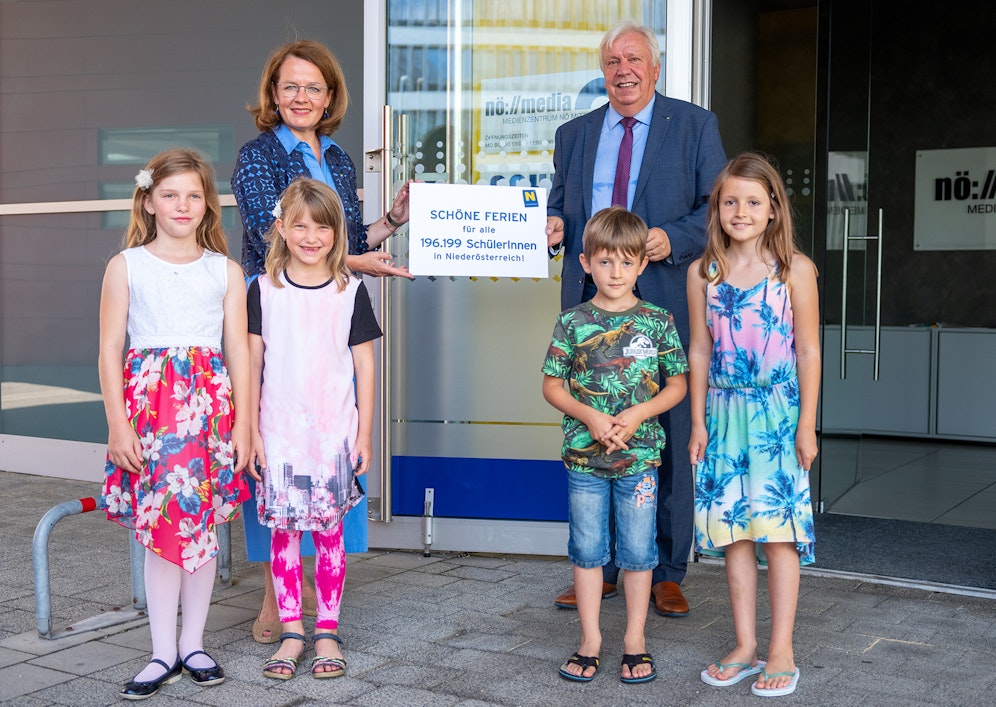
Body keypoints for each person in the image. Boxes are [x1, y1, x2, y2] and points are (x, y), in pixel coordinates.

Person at [232, 39, 412, 644]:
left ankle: (315, 583)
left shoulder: (337, 158)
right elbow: (270, 236)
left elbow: (346, 233)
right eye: (290, 86)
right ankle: (273, 592)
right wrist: (358, 260)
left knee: (326, 445)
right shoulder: (257, 156)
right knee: (275, 448)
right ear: (273, 95)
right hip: (276, 314)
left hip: (328, 308)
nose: (302, 96)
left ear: (330, 95)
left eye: (314, 86)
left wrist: (392, 221)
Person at [546, 19, 726, 617]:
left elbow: (715, 211)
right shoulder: (573, 134)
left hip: (664, 298)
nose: (623, 70)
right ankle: (595, 566)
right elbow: (558, 208)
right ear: (603, 72)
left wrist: (667, 238)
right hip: (590, 306)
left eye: (634, 60)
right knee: (591, 425)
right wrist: (550, 229)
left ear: (654, 68)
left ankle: (667, 568)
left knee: (664, 433)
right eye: (612, 61)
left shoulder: (695, 125)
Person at [98, 148, 250, 699]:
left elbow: (240, 353)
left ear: (207, 204)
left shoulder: (224, 271)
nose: (182, 205)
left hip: (208, 415)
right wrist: (119, 424)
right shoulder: (127, 266)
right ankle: (162, 650)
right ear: (149, 201)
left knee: (200, 527)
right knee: (163, 528)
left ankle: (194, 643)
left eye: (193, 195)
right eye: (170, 195)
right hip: (151, 417)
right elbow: (110, 348)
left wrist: (245, 427)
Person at [687, 153, 819, 698]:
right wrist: (696, 422)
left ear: (772, 210)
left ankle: (781, 648)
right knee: (735, 535)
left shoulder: (794, 268)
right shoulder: (703, 272)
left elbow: (809, 349)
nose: (740, 211)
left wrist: (806, 424)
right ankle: (745, 645)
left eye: (753, 202)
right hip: (722, 415)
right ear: (717, 208)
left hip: (777, 415)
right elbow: (699, 349)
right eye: (730, 201)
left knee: (778, 536)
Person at [542, 207, 688, 684]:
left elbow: (677, 385)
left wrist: (639, 413)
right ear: (585, 263)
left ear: (642, 265)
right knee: (587, 550)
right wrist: (591, 415)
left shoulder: (658, 321)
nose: (616, 272)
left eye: (627, 263)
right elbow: (552, 387)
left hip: (641, 461)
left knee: (639, 552)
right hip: (585, 460)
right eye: (605, 263)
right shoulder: (573, 321)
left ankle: (634, 641)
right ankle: (590, 640)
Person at [249, 179, 382, 680]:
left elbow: (365, 367)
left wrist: (364, 434)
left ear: (336, 231)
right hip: (279, 434)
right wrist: (251, 431)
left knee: (330, 534)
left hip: (333, 436)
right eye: (299, 225)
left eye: (322, 226)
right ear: (280, 228)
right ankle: (291, 632)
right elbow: (253, 364)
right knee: (283, 534)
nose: (310, 236)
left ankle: (327, 629)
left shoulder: (351, 291)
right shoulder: (262, 291)